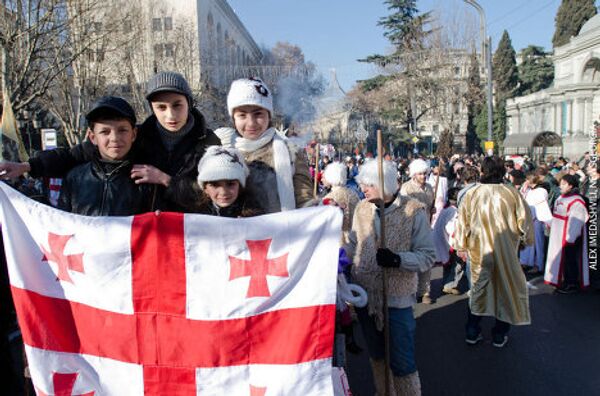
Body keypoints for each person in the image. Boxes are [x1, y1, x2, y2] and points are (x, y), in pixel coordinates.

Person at [0, 71, 221, 212]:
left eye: (177, 105)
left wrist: (165, 180)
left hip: (192, 232)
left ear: (189, 103)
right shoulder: (140, 136)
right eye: (161, 107)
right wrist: (27, 166)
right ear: (152, 109)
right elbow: (72, 155)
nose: (170, 115)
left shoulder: (209, 143)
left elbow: (216, 195)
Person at [345, 159, 435, 396]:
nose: (363, 189)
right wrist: (338, 260)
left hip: (397, 300)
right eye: (362, 183)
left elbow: (427, 256)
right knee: (377, 356)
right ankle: (384, 392)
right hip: (366, 297)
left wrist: (398, 260)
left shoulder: (413, 210)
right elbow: (353, 244)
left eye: (369, 184)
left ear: (384, 184)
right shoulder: (362, 208)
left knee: (402, 363)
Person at [454, 156, 533, 348]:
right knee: (505, 289)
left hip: (479, 251)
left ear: (483, 171)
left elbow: (462, 222)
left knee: (478, 290)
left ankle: (472, 331)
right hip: (506, 251)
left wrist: (461, 246)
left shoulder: (472, 194)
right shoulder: (511, 193)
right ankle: (499, 334)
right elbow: (525, 222)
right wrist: (524, 241)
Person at [215, 78, 313, 214]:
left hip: (279, 232)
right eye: (242, 115)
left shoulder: (291, 153)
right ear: (233, 118)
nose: (251, 123)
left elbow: (304, 200)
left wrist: (324, 211)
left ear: (269, 115)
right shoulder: (221, 153)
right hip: (234, 232)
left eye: (258, 114)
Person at [58, 96, 152, 216]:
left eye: (122, 130)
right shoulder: (75, 178)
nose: (114, 138)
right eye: (105, 132)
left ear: (133, 134)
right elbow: (62, 224)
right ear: (93, 137)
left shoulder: (146, 180)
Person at [544, 174, 590, 293]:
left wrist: (571, 238)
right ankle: (564, 280)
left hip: (568, 235)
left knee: (570, 259)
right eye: (561, 183)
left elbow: (577, 220)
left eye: (564, 184)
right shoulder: (561, 198)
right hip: (558, 234)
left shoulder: (577, 201)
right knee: (562, 259)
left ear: (570, 186)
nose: (561, 186)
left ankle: (572, 283)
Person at [400, 158, 435, 304]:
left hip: (426, 227)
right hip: (410, 228)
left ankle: (424, 291)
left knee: (426, 259)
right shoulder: (406, 188)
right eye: (420, 174)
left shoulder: (429, 188)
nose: (423, 177)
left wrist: (432, 209)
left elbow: (430, 204)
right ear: (414, 174)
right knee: (412, 261)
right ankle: (411, 290)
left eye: (425, 174)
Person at [194, 146, 262, 218]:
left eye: (230, 184)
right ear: (205, 189)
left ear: (240, 186)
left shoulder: (254, 216)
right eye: (215, 185)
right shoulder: (196, 216)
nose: (223, 192)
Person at [432, 187, 465, 295]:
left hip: (442, 240)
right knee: (458, 263)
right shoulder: (453, 211)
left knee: (449, 264)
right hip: (448, 241)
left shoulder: (447, 209)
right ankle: (450, 284)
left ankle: (447, 283)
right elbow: (451, 228)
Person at [519, 172, 552, 276]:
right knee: (528, 242)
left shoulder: (541, 191)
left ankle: (539, 265)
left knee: (538, 243)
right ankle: (526, 262)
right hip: (529, 220)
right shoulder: (529, 190)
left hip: (537, 220)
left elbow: (539, 206)